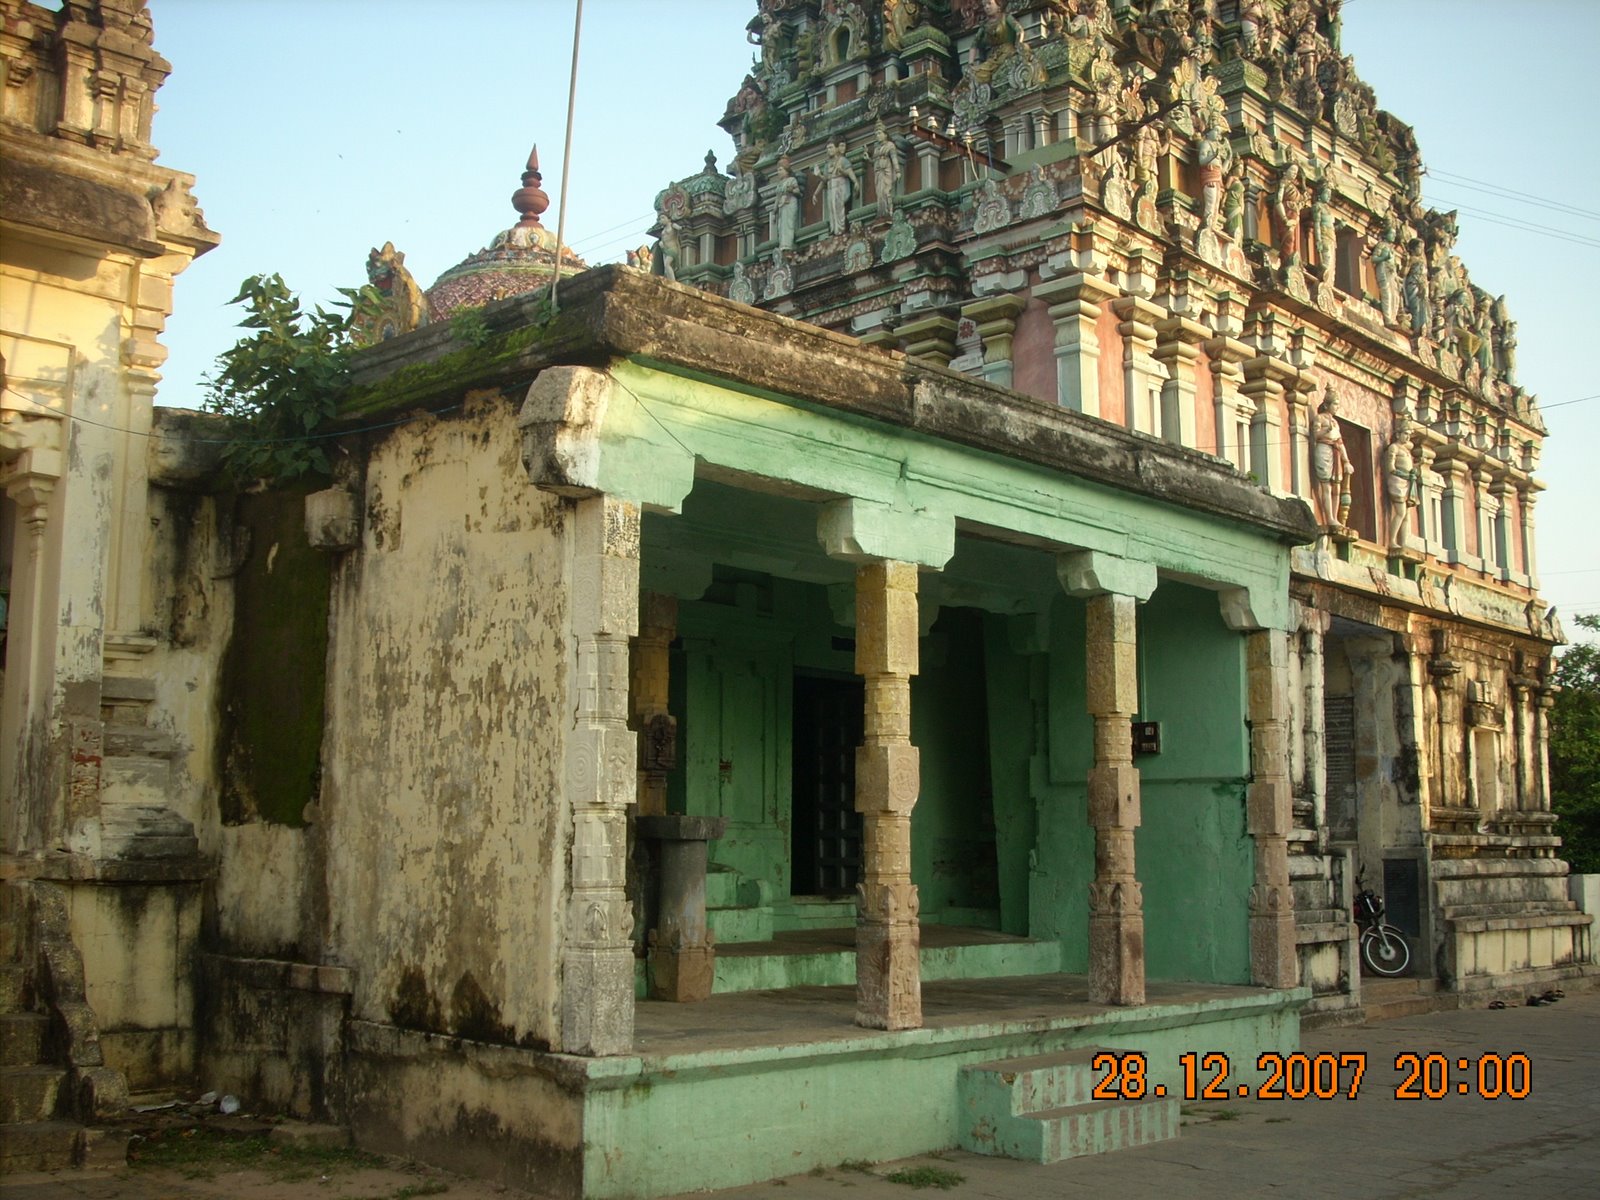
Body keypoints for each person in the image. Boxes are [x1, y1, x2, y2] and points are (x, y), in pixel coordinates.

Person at [1311, 391, 1353, 528]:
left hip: (1335, 451)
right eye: (1335, 404)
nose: (1337, 407)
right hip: (1323, 450)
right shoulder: (1320, 418)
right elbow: (1316, 435)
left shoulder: (1335, 423)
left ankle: (1335, 517)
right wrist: (1326, 431)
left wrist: (1346, 461)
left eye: (1338, 404)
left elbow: (1340, 443)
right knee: (1326, 485)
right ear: (1326, 404)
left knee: (1337, 486)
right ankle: (1329, 518)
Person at [816, 141, 859, 236]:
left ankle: (841, 229)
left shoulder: (842, 160)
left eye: (831, 147)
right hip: (831, 187)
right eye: (827, 148)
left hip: (840, 185)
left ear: (836, 148)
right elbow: (825, 179)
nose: (829, 150)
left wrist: (855, 182)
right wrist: (819, 175)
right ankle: (834, 229)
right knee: (832, 208)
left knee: (838, 207)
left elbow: (849, 172)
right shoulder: (827, 164)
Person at [771, 156, 800, 250]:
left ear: (786, 170)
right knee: (781, 226)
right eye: (778, 170)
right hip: (781, 205)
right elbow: (777, 198)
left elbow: (797, 191)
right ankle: (783, 244)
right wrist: (774, 212)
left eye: (780, 170)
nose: (778, 172)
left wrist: (791, 190)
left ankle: (788, 244)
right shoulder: (779, 184)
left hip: (790, 203)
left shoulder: (792, 180)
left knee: (789, 223)